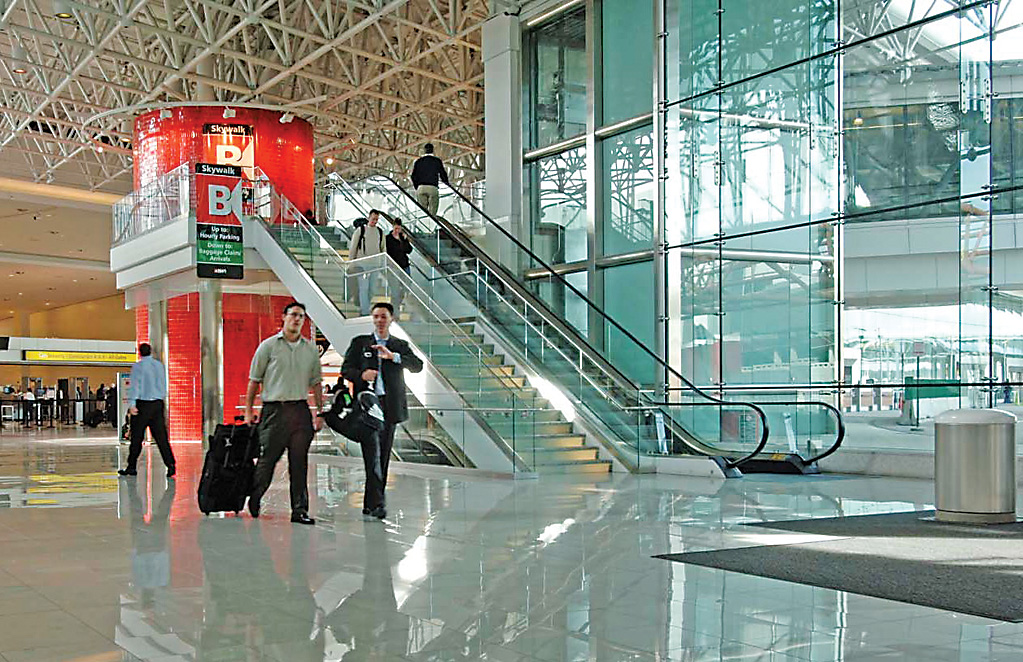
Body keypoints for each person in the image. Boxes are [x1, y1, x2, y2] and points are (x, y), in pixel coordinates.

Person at [341, 302, 423, 519]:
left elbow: (417, 365)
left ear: (391, 319)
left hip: (389, 407)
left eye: (383, 317)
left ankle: (373, 503)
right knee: (373, 454)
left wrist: (392, 357)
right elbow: (346, 370)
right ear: (372, 318)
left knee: (382, 455)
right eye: (376, 316)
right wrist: (361, 375)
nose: (379, 320)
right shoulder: (360, 343)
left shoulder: (400, 345)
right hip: (368, 407)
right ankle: (375, 502)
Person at [245, 301, 324, 525]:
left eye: (301, 316)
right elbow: (254, 381)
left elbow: (317, 383)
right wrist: (250, 410)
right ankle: (256, 496)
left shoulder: (310, 349)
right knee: (267, 460)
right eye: (293, 315)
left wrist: (320, 412)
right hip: (274, 412)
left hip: (300, 411)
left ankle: (299, 510)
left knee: (299, 463)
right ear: (284, 317)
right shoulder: (268, 347)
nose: (297, 319)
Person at [119, 343, 176, 478]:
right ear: (150, 351)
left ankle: (131, 466)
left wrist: (132, 404)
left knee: (137, 437)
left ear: (139, 352)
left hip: (142, 405)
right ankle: (171, 465)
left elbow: (135, 386)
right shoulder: (159, 366)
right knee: (161, 437)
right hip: (157, 404)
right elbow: (164, 385)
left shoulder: (138, 367)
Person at [348, 209, 386, 316]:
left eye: (377, 219)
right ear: (368, 217)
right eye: (373, 218)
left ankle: (365, 307)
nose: (375, 221)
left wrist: (383, 264)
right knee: (363, 288)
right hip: (362, 265)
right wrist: (352, 263)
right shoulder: (360, 231)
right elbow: (353, 248)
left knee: (372, 289)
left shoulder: (380, 232)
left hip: (375, 265)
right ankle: (365, 312)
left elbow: (383, 249)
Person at [411, 143, 449, 216]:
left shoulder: (418, 162)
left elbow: (413, 176)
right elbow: (443, 174)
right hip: (433, 187)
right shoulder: (437, 161)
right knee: (433, 210)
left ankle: (424, 222)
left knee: (423, 211)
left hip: (421, 187)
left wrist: (417, 187)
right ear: (432, 150)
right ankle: (432, 221)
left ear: (424, 151)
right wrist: (446, 183)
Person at [385, 218, 414, 312]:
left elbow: (409, 250)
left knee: (406, 287)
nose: (397, 231)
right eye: (396, 228)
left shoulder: (402, 238)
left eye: (399, 229)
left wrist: (404, 240)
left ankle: (398, 304)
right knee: (395, 289)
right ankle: (395, 310)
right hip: (394, 267)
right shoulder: (388, 239)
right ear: (393, 227)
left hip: (404, 265)